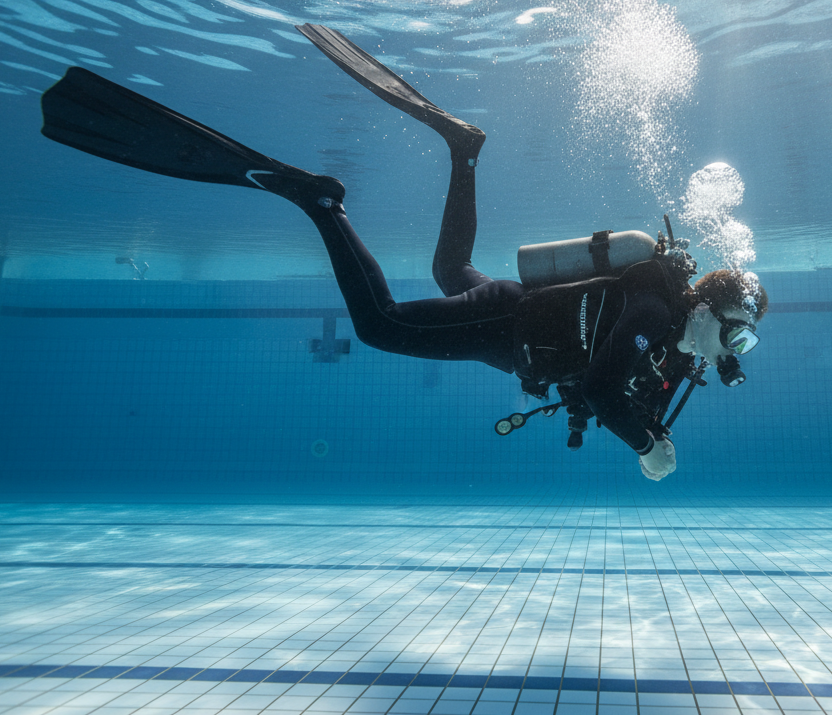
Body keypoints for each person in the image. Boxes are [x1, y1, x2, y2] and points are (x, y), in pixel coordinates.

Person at [40, 25, 768, 482]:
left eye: (742, 339)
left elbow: (620, 377)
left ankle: (463, 150)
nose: (732, 347)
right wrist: (646, 443)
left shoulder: (682, 335)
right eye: (733, 327)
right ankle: (321, 203)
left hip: (517, 335)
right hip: (509, 326)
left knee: (451, 273)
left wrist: (681, 384)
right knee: (380, 325)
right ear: (705, 301)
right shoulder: (651, 304)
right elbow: (611, 390)